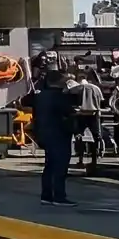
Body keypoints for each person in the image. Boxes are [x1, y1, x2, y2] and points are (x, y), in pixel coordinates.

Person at [25, 71, 79, 206]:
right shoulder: (61, 96)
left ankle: (47, 195)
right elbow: (69, 112)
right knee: (60, 166)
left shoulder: (40, 96)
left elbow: (24, 101)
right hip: (59, 133)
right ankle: (59, 196)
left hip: (43, 133)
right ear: (60, 81)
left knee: (49, 166)